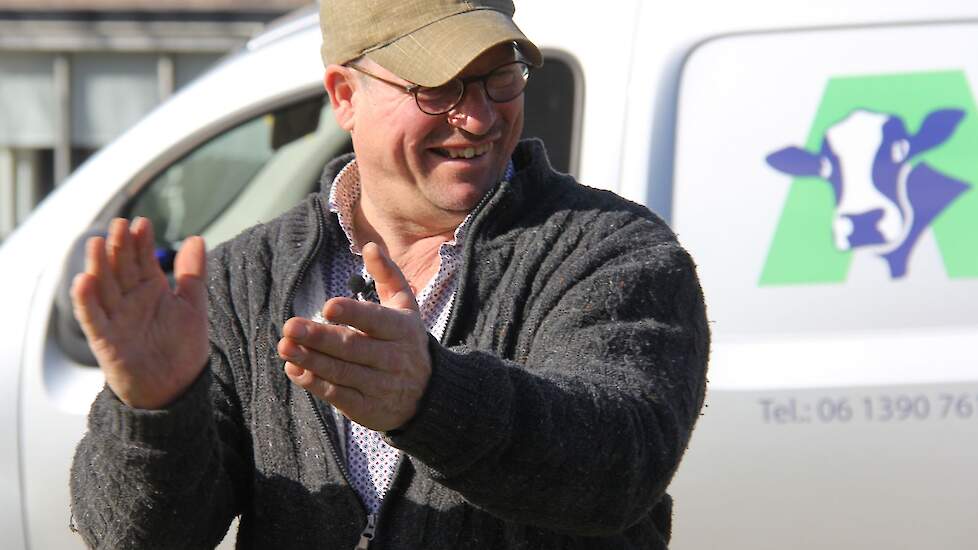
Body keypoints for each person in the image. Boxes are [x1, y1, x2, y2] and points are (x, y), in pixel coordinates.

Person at [68, 0, 710, 548]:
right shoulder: (243, 281)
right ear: (345, 97)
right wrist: (153, 409)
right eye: (438, 87)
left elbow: (620, 463)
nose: (480, 118)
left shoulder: (613, 252)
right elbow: (135, 535)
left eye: (500, 78)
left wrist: (433, 398)